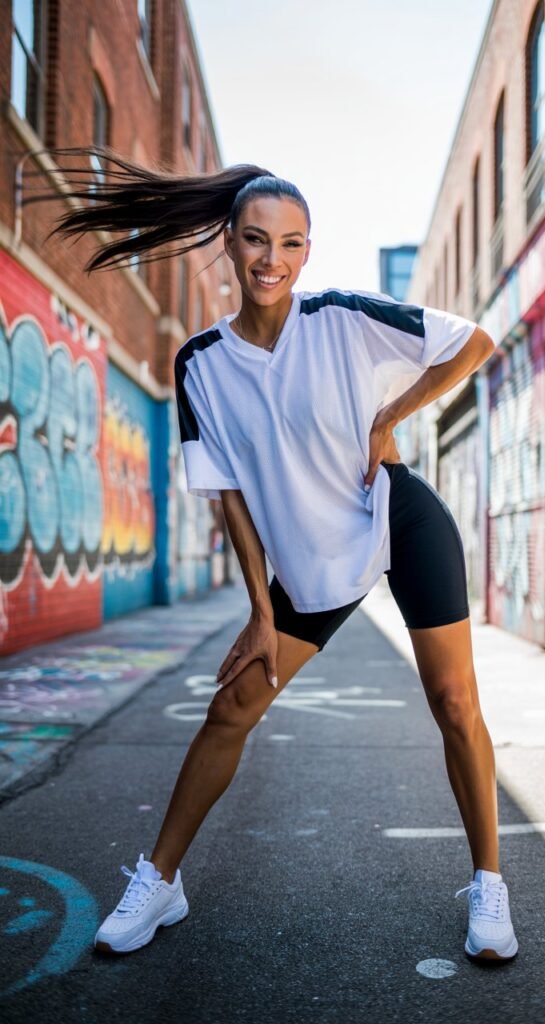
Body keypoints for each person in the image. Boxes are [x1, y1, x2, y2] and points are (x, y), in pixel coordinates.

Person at [46, 150, 518, 962]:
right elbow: (230, 495)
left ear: (309, 251)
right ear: (228, 243)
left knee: (454, 701)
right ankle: (160, 883)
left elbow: (473, 339)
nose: (273, 259)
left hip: (394, 514)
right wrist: (261, 613)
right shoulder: (200, 364)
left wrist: (388, 416)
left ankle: (490, 887)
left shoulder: (340, 317)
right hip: (309, 555)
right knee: (230, 707)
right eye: (258, 240)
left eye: (292, 243)